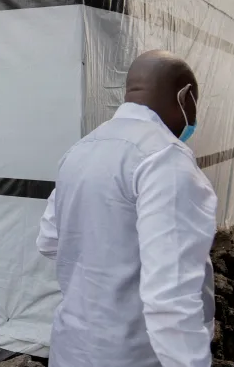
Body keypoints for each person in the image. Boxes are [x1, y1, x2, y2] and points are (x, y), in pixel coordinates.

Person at [37, 50, 217, 367]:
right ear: (185, 96)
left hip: (72, 347)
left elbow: (48, 241)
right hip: (135, 354)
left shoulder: (82, 149)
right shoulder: (165, 160)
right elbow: (171, 297)